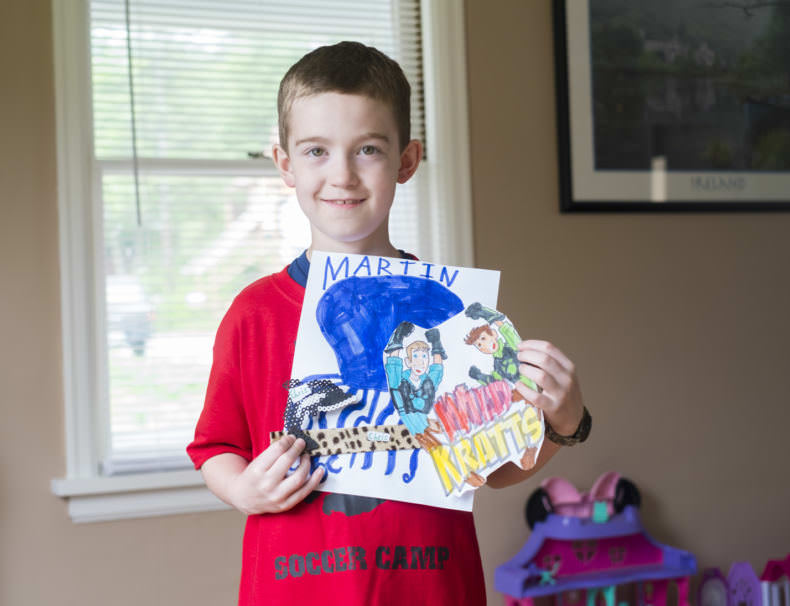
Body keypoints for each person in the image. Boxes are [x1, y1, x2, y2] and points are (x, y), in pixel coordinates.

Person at [187, 41, 587, 606]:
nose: (342, 175)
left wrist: (563, 424)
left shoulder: (451, 311)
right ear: (285, 164)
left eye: (368, 149)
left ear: (406, 160)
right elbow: (215, 447)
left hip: (434, 590)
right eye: (316, 151)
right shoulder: (254, 314)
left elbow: (491, 468)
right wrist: (241, 489)